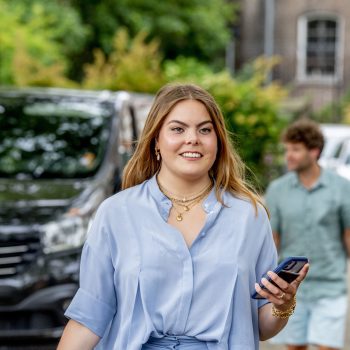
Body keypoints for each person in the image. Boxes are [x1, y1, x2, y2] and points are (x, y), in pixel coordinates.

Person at [57, 83, 309, 350]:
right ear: (156, 140)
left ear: (218, 141)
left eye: (205, 129)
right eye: (178, 129)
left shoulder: (250, 216)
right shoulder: (116, 213)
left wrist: (284, 304)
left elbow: (261, 327)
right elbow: (88, 318)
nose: (193, 139)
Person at [266, 119, 350, 350]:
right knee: (294, 347)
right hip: (291, 289)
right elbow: (273, 240)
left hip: (330, 286)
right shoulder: (277, 190)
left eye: (295, 149)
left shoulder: (342, 188)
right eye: (287, 150)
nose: (288, 156)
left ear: (314, 151)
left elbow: (348, 236)